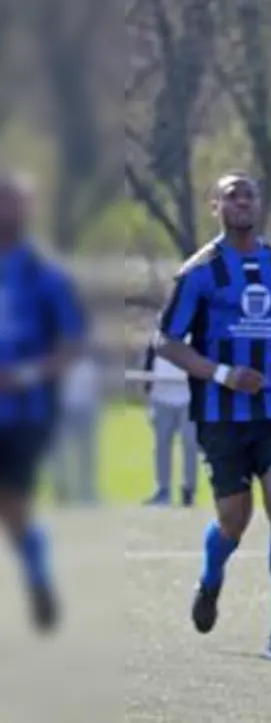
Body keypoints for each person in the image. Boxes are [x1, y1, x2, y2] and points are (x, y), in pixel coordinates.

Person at [154, 171, 271, 661]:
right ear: (216, 207)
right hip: (220, 415)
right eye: (232, 196)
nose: (242, 202)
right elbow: (164, 341)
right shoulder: (199, 272)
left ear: (260, 204)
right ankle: (210, 579)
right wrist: (223, 374)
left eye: (249, 194)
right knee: (234, 519)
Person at [0, 171, 86, 632]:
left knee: (13, 507)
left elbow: (72, 344)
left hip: (22, 415)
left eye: (11, 202)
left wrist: (25, 375)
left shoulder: (44, 276)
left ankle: (37, 582)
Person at [143, 336, 198, 507]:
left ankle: (188, 490)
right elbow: (149, 363)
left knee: (190, 444)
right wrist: (148, 392)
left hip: (189, 398)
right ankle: (163, 490)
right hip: (161, 397)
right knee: (161, 445)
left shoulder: (195, 330)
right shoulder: (158, 333)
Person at [52, 348, 100, 506]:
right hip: (64, 411)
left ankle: (87, 492)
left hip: (86, 412)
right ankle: (62, 493)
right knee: (61, 454)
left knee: (86, 455)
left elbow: (95, 389)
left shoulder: (89, 363)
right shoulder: (59, 361)